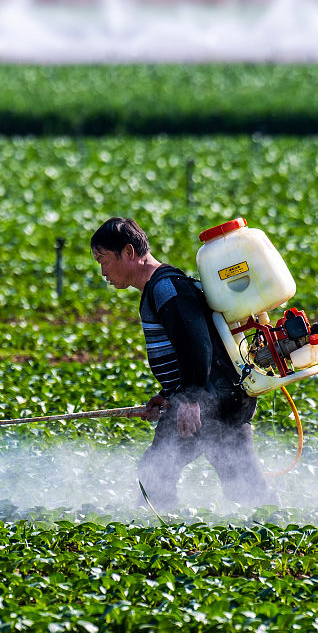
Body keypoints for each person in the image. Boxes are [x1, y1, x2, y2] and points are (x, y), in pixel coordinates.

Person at [90, 217, 278, 511]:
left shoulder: (165, 289)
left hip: (207, 402)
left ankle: (160, 537)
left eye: (103, 260)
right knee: (245, 488)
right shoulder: (162, 288)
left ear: (128, 252)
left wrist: (190, 399)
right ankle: (277, 523)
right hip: (222, 398)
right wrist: (167, 394)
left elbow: (198, 343)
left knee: (153, 475)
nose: (102, 272)